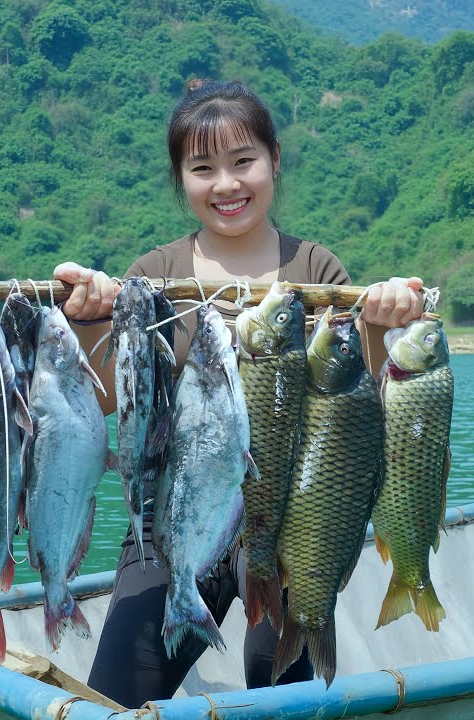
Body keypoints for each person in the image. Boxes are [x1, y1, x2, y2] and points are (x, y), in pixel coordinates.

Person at [51, 79, 424, 708]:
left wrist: (383, 324)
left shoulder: (316, 271)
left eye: (243, 160)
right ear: (181, 180)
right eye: (203, 168)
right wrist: (89, 320)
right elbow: (111, 401)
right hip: (171, 523)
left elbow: (353, 395)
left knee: (279, 685)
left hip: (285, 527)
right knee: (113, 695)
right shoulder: (153, 276)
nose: (226, 184)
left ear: (275, 160)